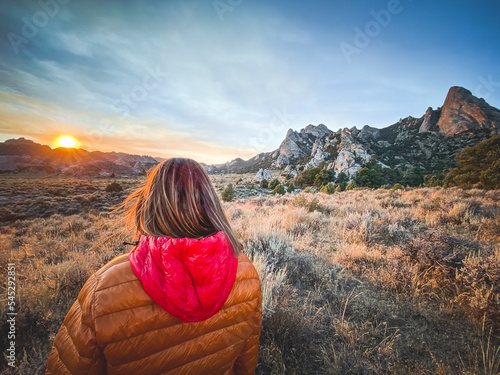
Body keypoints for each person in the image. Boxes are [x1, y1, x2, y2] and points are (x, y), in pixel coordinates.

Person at [45, 158, 262, 375]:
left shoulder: (104, 289)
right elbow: (246, 358)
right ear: (211, 201)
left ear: (149, 202)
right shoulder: (245, 271)